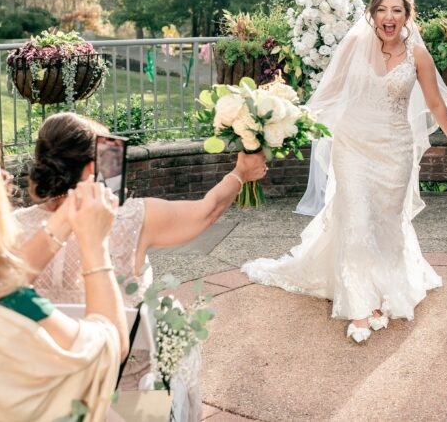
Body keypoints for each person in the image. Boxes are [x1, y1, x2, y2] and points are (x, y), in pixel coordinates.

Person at [242, 0, 447, 344]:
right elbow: (327, 94)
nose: (389, 17)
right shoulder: (353, 45)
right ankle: (360, 307)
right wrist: (283, 124)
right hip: (353, 146)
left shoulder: (417, 56)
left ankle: (382, 294)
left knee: (386, 224)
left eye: (397, 10)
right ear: (372, 14)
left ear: (407, 16)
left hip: (395, 149)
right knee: (357, 220)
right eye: (382, 10)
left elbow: (436, 105)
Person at [13, 111, 267, 422]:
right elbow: (207, 211)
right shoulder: (132, 218)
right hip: (128, 399)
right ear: (95, 166)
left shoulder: (11, 228)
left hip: (42, 396)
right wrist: (240, 173)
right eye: (109, 152)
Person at [0, 124, 127, 422]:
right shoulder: (14, 303)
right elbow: (106, 347)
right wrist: (94, 243)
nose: (6, 178)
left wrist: (65, 218)